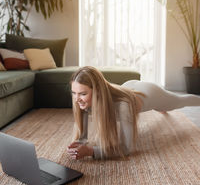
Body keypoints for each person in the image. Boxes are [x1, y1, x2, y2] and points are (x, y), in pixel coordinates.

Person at [67, 66, 200, 160]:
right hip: (129, 86)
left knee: (180, 101)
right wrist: (80, 142)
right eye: (74, 93)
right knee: (163, 107)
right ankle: (161, 108)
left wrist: (90, 151)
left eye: (83, 93)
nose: (77, 98)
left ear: (98, 92)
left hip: (151, 93)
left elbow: (126, 148)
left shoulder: (123, 106)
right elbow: (83, 136)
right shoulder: (82, 101)